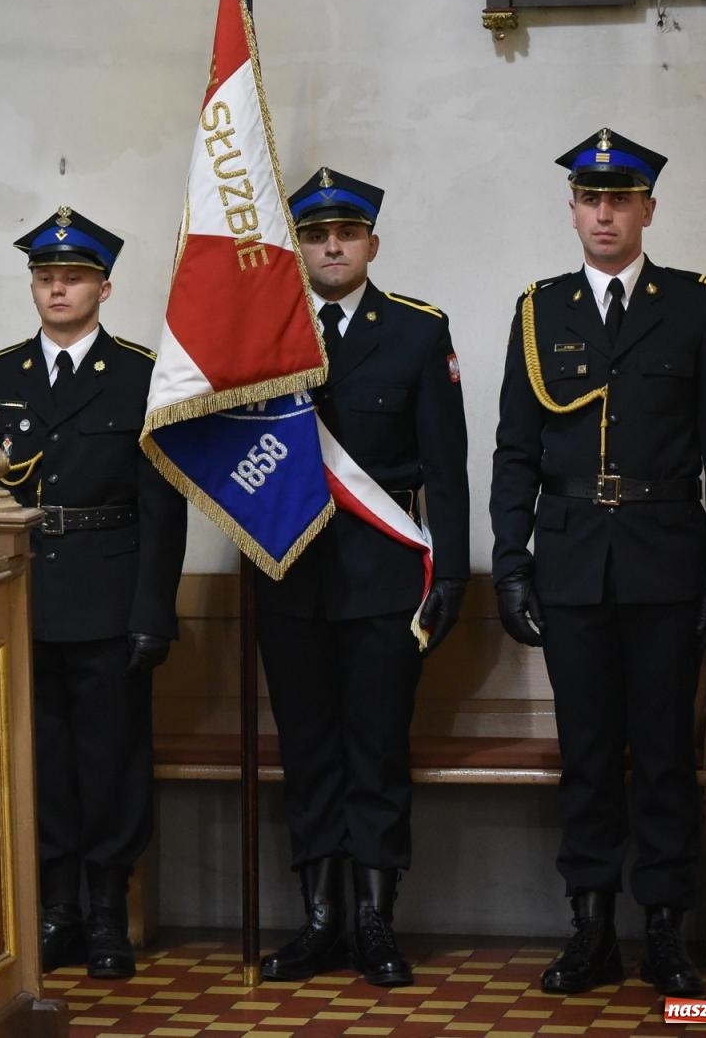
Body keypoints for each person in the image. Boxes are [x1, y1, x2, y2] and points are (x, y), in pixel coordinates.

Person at [489, 129, 706, 999]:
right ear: (572, 210)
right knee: (590, 753)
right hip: (570, 567)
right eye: (591, 200)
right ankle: (591, 925)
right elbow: (515, 454)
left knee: (667, 753)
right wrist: (512, 562)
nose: (605, 213)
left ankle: (667, 931)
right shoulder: (539, 310)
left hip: (668, 562)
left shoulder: (696, 306)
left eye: (621, 199)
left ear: (647, 209)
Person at [0, 207, 187, 980]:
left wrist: (155, 610)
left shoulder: (142, 374)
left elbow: (163, 505)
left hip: (111, 592)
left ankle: (105, 911)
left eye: (74, 277)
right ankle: (55, 907)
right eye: (46, 277)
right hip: (25, 596)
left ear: (105, 287)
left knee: (112, 760)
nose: (57, 289)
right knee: (42, 758)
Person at [255, 169, 470, 988]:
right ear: (299, 247)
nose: (332, 246)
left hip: (384, 575)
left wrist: (449, 569)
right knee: (308, 753)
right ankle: (319, 919)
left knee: (376, 751)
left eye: (346, 233)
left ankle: (377, 919)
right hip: (290, 573)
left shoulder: (416, 331)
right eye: (315, 235)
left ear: (372, 243)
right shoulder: (263, 335)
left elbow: (445, 467)